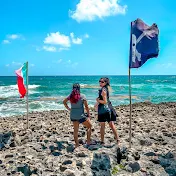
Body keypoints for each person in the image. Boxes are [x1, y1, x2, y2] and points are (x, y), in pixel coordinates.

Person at [63, 83, 92, 148]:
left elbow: (64, 102)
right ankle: (88, 142)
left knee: (76, 130)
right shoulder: (82, 96)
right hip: (80, 115)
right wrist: (88, 114)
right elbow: (86, 106)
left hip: (73, 115)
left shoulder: (70, 96)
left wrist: (68, 108)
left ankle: (76, 145)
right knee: (89, 126)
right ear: (79, 88)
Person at [96, 77, 120, 145]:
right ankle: (117, 140)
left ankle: (103, 141)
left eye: (102, 82)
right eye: (100, 81)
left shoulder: (103, 90)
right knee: (109, 125)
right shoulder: (104, 89)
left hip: (105, 109)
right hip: (106, 108)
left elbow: (105, 101)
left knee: (105, 125)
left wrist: (98, 100)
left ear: (106, 83)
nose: (100, 83)